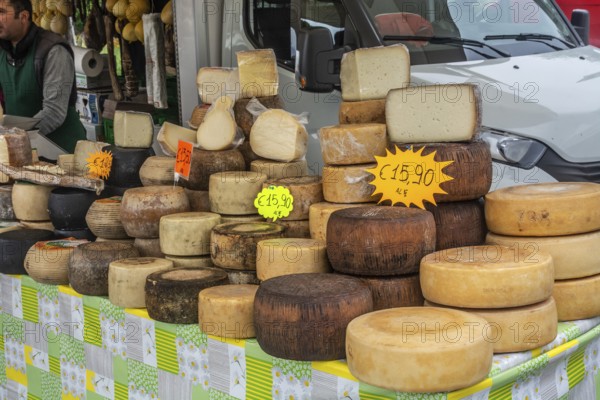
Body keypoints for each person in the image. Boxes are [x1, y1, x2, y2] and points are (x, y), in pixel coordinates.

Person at [0, 0, 85, 153]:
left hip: (61, 152)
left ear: (24, 17)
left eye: (1, 12)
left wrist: (13, 138)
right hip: (21, 152)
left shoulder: (53, 51)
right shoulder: (3, 51)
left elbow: (54, 112)